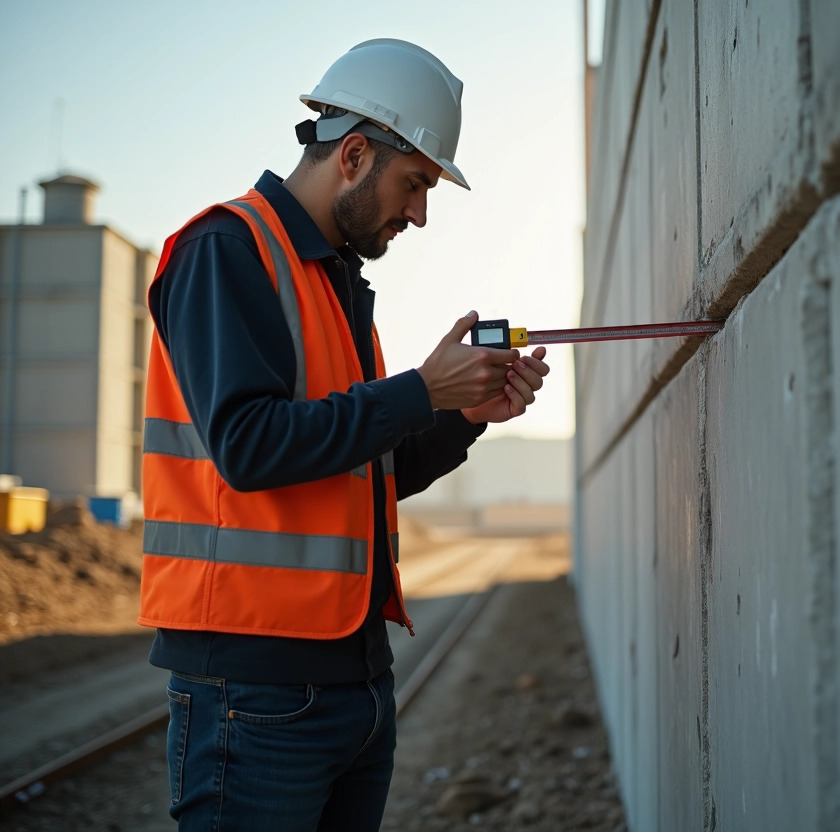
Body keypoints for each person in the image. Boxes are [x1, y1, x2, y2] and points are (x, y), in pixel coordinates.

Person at [137, 38, 549, 830]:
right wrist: (420, 389)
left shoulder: (333, 280)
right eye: (416, 183)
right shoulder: (225, 250)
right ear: (355, 154)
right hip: (253, 691)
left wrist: (462, 414)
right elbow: (251, 447)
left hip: (353, 682)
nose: (421, 213)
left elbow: (367, 466)